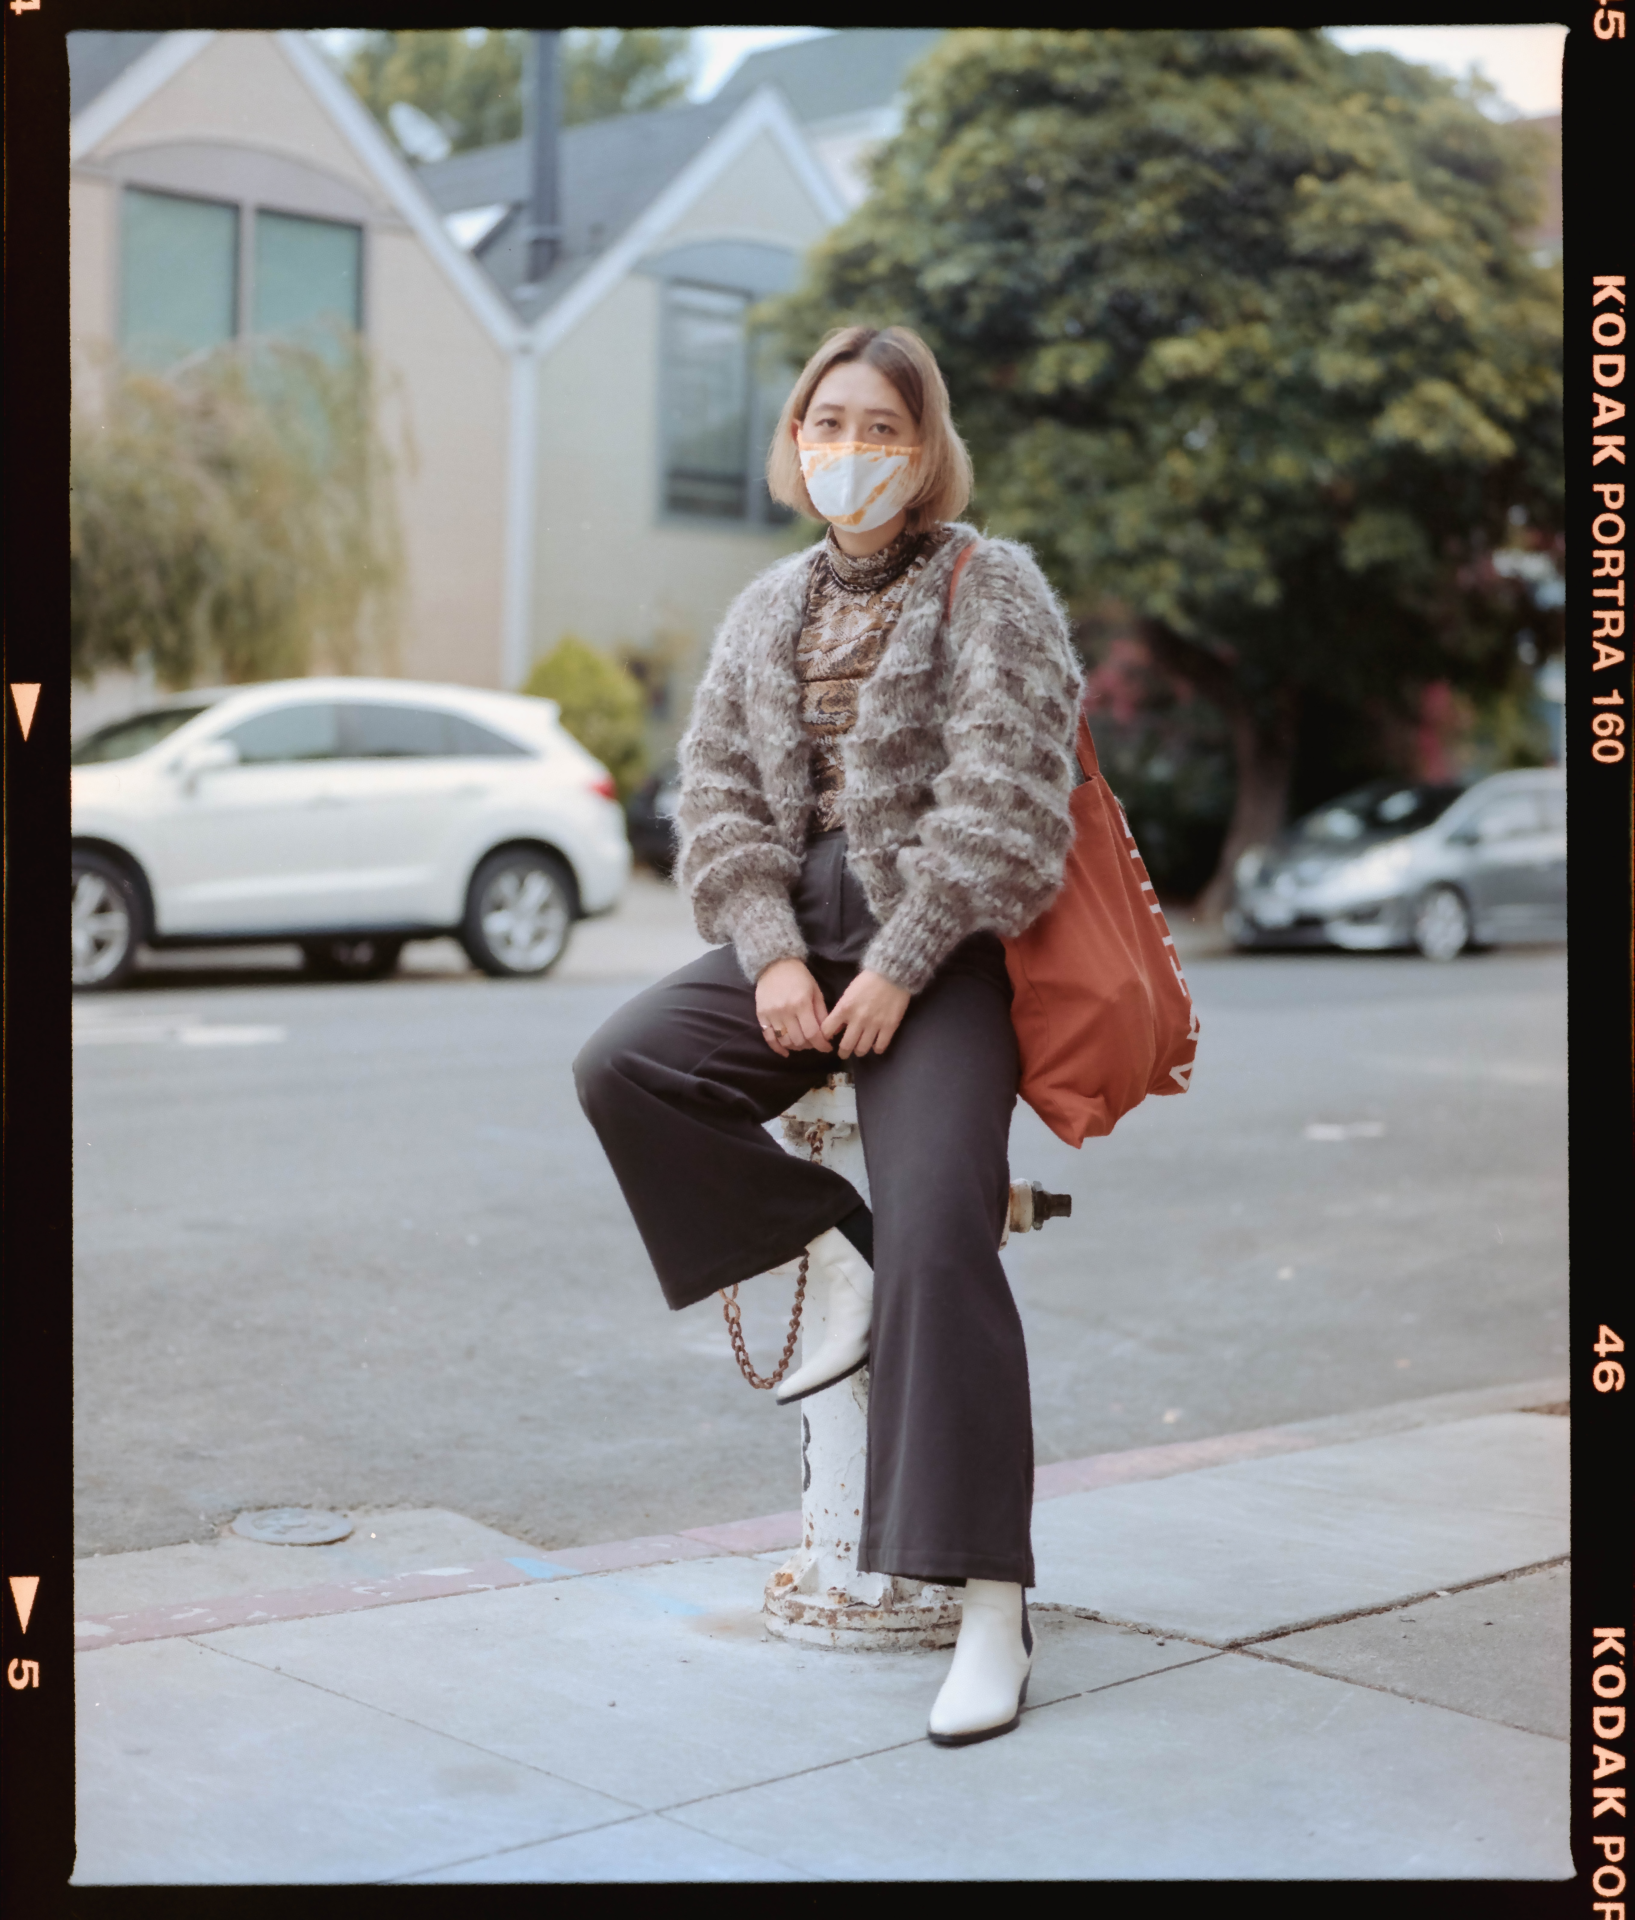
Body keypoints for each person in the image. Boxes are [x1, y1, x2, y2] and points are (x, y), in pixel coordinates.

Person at [574, 324, 1083, 1746]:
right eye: (826, 421)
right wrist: (773, 955)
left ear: (924, 453)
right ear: (795, 438)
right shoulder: (764, 608)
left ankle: (990, 1606)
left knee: (943, 1233)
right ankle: (827, 1251)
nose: (847, 449)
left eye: (879, 428)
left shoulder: (994, 589)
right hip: (794, 933)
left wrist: (902, 967)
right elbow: (721, 803)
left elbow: (1008, 802)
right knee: (628, 1067)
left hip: (944, 947)